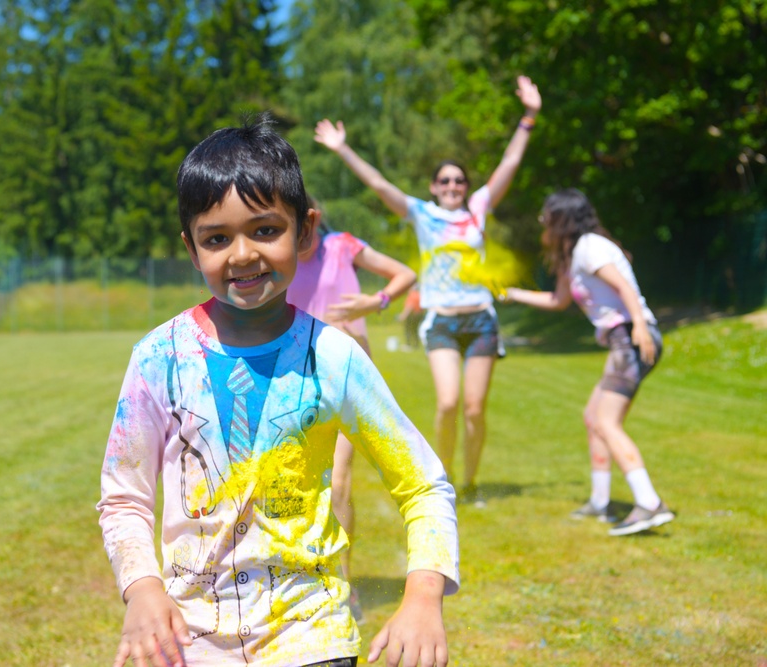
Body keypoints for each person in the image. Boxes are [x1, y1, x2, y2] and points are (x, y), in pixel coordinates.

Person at [98, 115, 459, 667]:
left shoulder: (334, 358)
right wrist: (143, 587)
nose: (241, 254)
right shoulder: (158, 357)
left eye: (265, 230)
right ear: (192, 250)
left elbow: (424, 485)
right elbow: (124, 495)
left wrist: (423, 595)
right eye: (216, 239)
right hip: (189, 642)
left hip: (311, 635)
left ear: (306, 231)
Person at [314, 75, 542, 505]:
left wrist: (529, 116)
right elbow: (380, 185)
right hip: (440, 322)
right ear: (434, 187)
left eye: (459, 181)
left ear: (466, 186)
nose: (454, 187)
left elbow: (509, 164)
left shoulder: (477, 210)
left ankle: (472, 481)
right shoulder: (422, 214)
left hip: (480, 320)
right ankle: (448, 475)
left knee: (475, 409)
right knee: (448, 404)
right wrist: (342, 148)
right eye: (445, 181)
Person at [501, 188, 675, 536]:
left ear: (561, 219)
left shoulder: (591, 247)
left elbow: (624, 286)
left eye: (545, 215)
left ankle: (649, 503)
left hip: (630, 337)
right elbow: (558, 300)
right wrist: (510, 293)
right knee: (593, 417)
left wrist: (639, 325)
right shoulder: (574, 255)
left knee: (608, 422)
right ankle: (599, 501)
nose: (541, 222)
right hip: (623, 338)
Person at [286, 198, 417, 619]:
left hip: (346, 377)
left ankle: (343, 588)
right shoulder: (277, 257)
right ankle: (297, 577)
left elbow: (405, 274)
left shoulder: (342, 246)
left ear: (314, 217)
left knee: (338, 481)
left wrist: (373, 301)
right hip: (293, 380)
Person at [398, 287, 425, 351]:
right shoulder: (419, 295)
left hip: (412, 316)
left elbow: (409, 306)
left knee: (408, 330)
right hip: (420, 315)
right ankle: (416, 345)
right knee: (415, 330)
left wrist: (403, 316)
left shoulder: (412, 295)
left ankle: (408, 345)